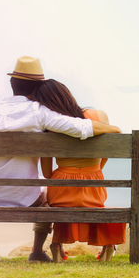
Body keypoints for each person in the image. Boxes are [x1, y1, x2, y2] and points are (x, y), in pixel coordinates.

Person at [0, 56, 121, 263]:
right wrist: (114, 130)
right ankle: (37, 252)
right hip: (28, 198)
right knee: (48, 192)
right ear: (37, 89)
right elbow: (79, 127)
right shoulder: (40, 113)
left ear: (12, 84)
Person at [33, 79, 126, 263]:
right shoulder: (100, 116)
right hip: (94, 187)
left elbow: (46, 173)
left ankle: (57, 244)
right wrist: (95, 171)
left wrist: (65, 176)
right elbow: (108, 149)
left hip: (62, 192)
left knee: (57, 200)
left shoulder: (50, 125)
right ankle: (108, 246)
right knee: (98, 203)